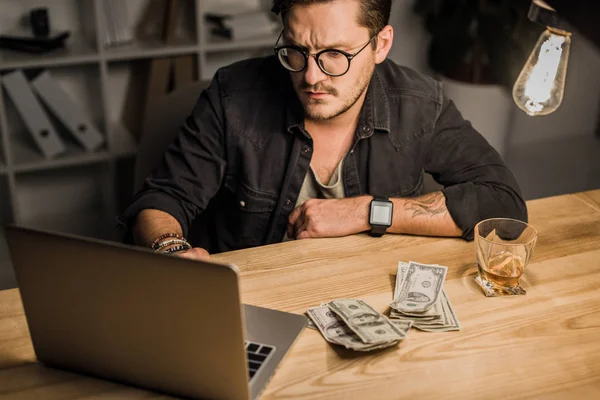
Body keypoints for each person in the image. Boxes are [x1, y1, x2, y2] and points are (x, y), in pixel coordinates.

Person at [120, 0, 527, 260]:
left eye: (335, 54)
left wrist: (367, 211)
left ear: (381, 44)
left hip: (363, 295)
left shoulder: (421, 105)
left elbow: (503, 202)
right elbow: (163, 197)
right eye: (296, 51)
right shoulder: (233, 97)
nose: (311, 76)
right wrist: (171, 248)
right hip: (253, 303)